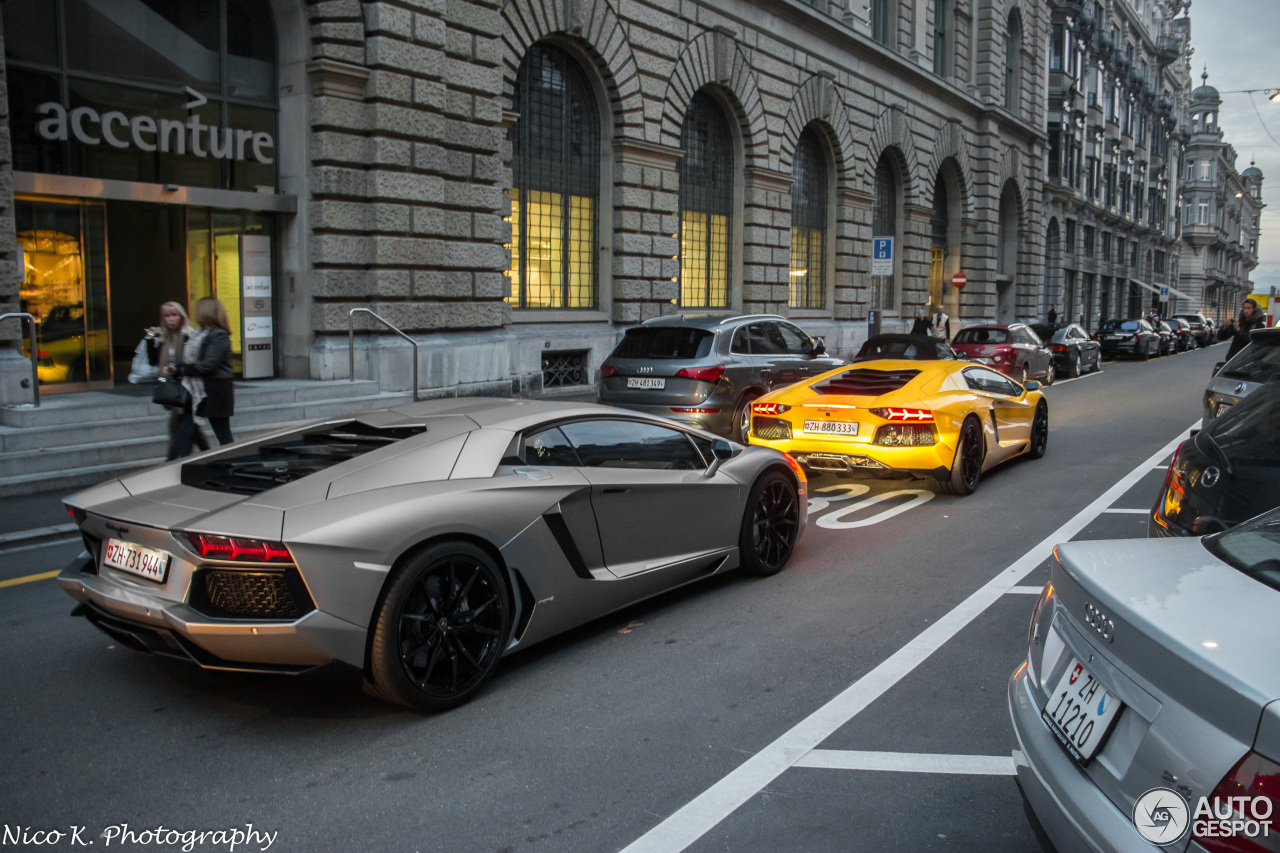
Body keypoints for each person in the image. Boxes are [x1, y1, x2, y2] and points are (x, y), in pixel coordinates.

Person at [167, 297, 235, 457]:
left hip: (214, 391)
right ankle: (180, 462)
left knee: (222, 432)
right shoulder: (199, 333)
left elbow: (207, 365)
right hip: (196, 389)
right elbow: (193, 359)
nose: (195, 312)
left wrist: (183, 369)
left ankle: (233, 460)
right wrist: (178, 369)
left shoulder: (219, 335)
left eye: (198, 309)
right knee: (186, 429)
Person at [151, 302, 209, 460]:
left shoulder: (190, 336)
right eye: (166, 316)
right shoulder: (163, 338)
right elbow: (154, 361)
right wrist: (150, 340)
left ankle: (171, 461)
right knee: (190, 428)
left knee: (178, 428)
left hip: (189, 388)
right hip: (173, 388)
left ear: (181, 316)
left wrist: (176, 370)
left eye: (174, 315)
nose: (170, 319)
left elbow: (194, 362)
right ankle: (208, 455)